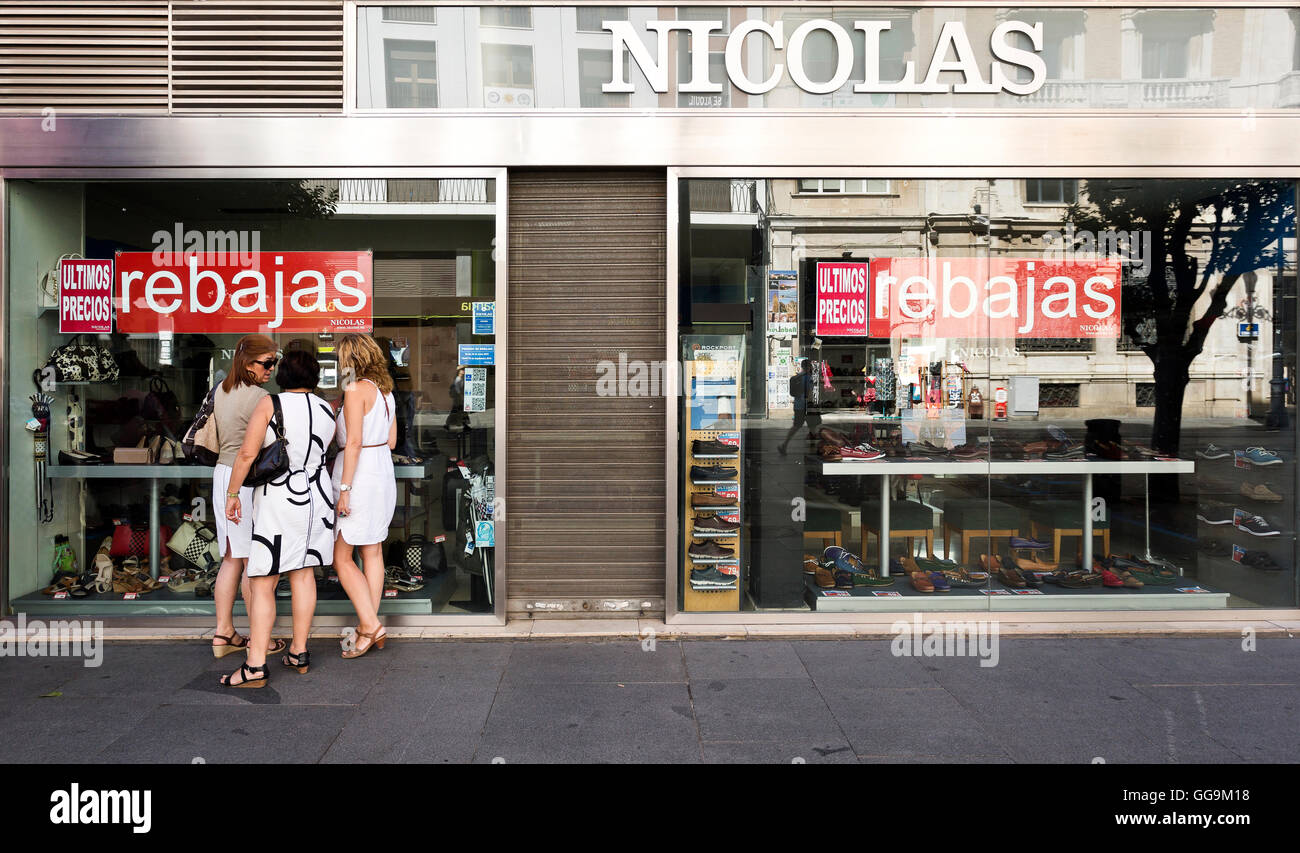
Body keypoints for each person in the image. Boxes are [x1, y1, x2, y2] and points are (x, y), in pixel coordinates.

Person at [220, 350, 337, 687]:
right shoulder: (327, 408)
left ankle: (255, 664)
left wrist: (232, 494)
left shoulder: (271, 404)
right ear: (314, 377)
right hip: (317, 497)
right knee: (303, 574)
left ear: (282, 374)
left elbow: (247, 453)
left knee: (263, 580)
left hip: (279, 498)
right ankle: (299, 651)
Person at [210, 334, 285, 659]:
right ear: (247, 362)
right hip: (245, 480)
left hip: (222, 476)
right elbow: (259, 446)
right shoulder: (259, 397)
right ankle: (260, 640)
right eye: (266, 363)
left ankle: (224, 631)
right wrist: (236, 492)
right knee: (255, 563)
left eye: (274, 362)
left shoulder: (221, 391)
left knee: (231, 557)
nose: (271, 369)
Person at [331, 334, 398, 660]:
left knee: (341, 557)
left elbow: (353, 442)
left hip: (358, 475)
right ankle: (366, 626)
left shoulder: (355, 389)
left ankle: (371, 625)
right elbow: (393, 440)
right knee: (372, 552)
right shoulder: (386, 392)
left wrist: (344, 490)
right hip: (381, 471)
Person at [777, 358, 822, 454]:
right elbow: (810, 393)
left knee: (796, 426)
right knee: (813, 427)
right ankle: (814, 449)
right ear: (809, 367)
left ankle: (784, 445)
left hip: (798, 406)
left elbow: (793, 393)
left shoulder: (796, 377)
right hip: (808, 406)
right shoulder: (810, 378)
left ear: (801, 366)